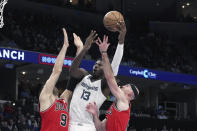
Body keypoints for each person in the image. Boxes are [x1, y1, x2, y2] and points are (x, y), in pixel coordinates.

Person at [69, 22, 126, 131]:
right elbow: (72, 70)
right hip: (70, 124)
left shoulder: (104, 84)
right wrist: (84, 48)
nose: (95, 66)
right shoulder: (84, 75)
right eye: (95, 64)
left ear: (105, 70)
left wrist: (121, 41)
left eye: (100, 65)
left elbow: (114, 67)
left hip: (87, 126)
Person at [86, 35, 139, 131]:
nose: (123, 85)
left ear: (130, 94)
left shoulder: (124, 101)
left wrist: (104, 53)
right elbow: (101, 128)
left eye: (127, 86)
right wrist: (95, 114)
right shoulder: (115, 106)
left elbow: (110, 78)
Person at [39, 28, 83, 131]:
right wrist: (65, 47)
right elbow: (57, 71)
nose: (52, 85)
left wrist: (80, 48)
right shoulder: (46, 98)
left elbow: (74, 76)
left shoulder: (64, 100)